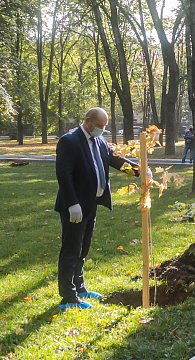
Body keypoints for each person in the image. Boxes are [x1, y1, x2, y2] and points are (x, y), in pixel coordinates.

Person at [54, 107, 138, 311]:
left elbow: (114, 160)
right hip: (75, 206)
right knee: (71, 250)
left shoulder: (99, 141)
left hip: (91, 204)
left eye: (104, 127)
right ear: (88, 121)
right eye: (99, 126)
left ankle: (80, 288)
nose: (102, 130)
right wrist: (72, 203)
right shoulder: (70, 141)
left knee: (83, 249)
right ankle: (68, 297)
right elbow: (63, 174)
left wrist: (139, 170)